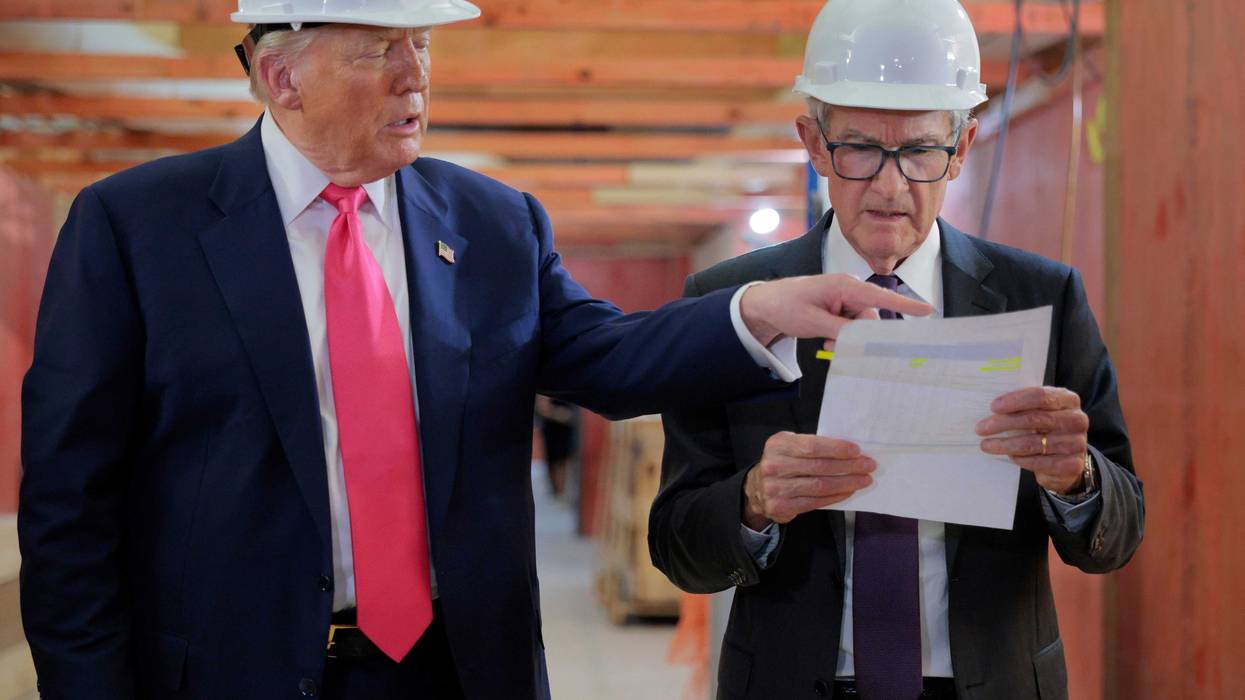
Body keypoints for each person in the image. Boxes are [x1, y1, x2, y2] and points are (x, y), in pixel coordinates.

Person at [16, 1, 931, 698]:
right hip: (230, 669)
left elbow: (601, 357)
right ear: (279, 75)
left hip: (457, 667)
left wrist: (758, 307)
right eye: (383, 48)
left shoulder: (491, 222)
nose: (416, 75)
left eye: (424, 48)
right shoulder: (137, 228)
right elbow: (69, 500)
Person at [648, 1, 1145, 698]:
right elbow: (677, 546)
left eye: (917, 151)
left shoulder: (1041, 298)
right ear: (814, 144)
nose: (888, 186)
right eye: (858, 149)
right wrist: (754, 500)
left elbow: (1116, 536)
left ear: (962, 147)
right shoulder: (733, 301)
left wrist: (1075, 479)